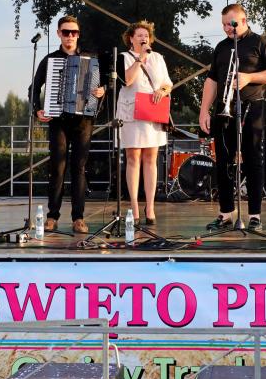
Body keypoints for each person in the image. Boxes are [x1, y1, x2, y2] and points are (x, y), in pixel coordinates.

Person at [199, 3, 266, 231]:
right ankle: (226, 213)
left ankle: (255, 215)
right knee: (223, 162)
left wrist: (249, 78)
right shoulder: (221, 47)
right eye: (224, 25)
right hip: (223, 110)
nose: (227, 28)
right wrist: (204, 110)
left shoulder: (261, 43)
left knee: (254, 161)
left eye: (231, 24)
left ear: (244, 20)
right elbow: (212, 80)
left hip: (251, 108)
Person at [32, 15, 105, 234]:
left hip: (83, 121)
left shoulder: (91, 59)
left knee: (79, 168)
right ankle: (52, 216)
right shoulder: (50, 60)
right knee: (57, 168)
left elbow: (103, 88)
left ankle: (78, 218)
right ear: (59, 34)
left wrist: (102, 92)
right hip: (59, 120)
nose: (70, 36)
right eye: (66, 32)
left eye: (74, 32)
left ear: (78, 35)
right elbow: (34, 87)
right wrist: (37, 109)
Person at [116, 20, 172, 225]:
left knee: (151, 158)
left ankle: (150, 206)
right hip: (131, 111)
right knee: (133, 157)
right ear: (131, 39)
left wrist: (162, 91)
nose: (143, 38)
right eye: (139, 35)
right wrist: (139, 59)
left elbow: (167, 83)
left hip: (152, 111)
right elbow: (127, 81)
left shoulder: (157, 58)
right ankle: (133, 206)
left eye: (146, 35)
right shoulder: (123, 57)